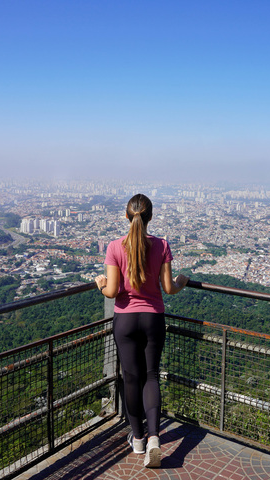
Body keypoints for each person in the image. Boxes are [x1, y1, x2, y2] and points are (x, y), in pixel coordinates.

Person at [95, 193, 189, 469]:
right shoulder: (162, 245)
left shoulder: (115, 247)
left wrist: (100, 284)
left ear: (127, 216)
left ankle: (137, 439)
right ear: (151, 217)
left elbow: (112, 291)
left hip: (125, 320)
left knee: (131, 379)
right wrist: (181, 282)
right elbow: (168, 288)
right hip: (153, 318)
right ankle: (154, 439)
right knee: (151, 376)